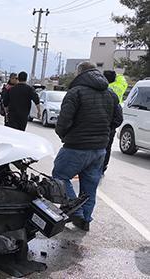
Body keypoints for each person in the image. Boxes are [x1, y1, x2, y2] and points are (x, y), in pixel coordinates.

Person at [52, 62, 118, 231]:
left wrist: (64, 135)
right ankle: (86, 219)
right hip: (99, 149)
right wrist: (104, 133)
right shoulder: (110, 93)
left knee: (60, 176)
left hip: (76, 146)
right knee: (90, 185)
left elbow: (64, 121)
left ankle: (77, 213)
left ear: (80, 73)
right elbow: (118, 120)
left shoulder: (75, 92)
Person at [102, 70, 124, 173]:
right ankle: (103, 167)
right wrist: (111, 127)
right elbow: (119, 118)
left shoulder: (102, 90)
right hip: (110, 125)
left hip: (99, 125)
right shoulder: (120, 86)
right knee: (107, 148)